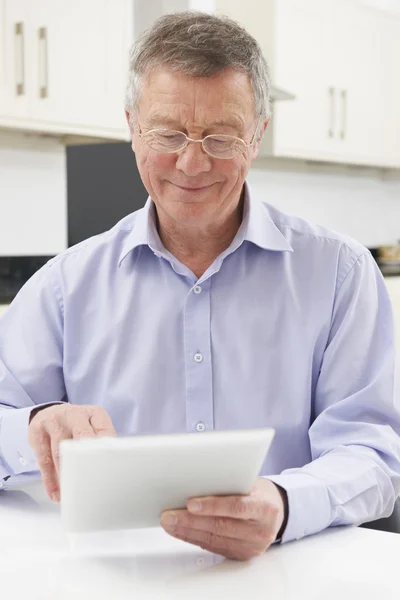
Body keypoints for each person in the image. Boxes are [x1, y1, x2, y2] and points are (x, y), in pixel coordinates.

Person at [0, 11, 399, 562]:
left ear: (257, 134)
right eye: (167, 133)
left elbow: (373, 453)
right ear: (131, 127)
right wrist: (36, 426)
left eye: (221, 136)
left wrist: (285, 503)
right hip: (112, 578)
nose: (191, 161)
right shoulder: (65, 286)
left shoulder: (341, 275)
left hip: (289, 568)